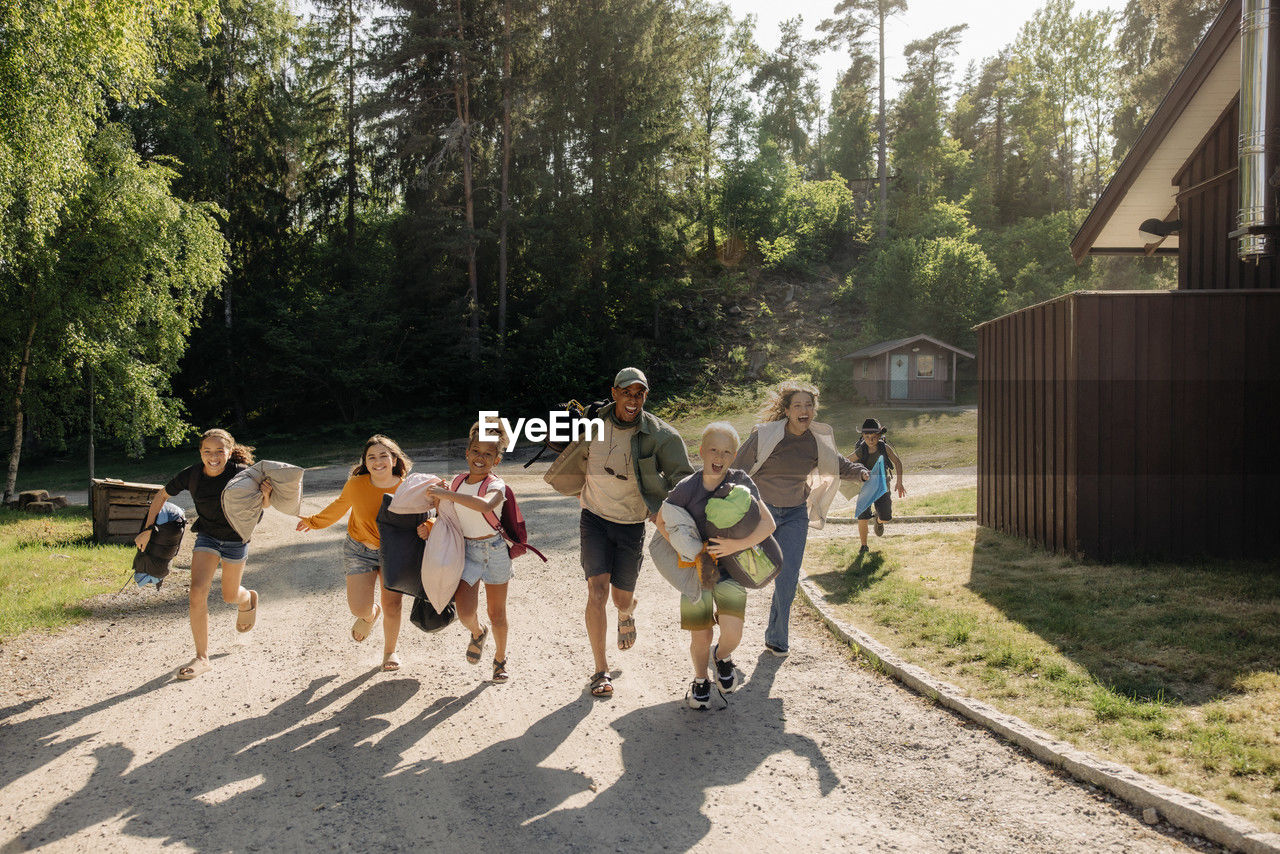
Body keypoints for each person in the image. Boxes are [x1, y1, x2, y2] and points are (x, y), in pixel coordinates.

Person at [545, 366, 693, 698]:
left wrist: (683, 523)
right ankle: (601, 670)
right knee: (596, 593)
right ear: (614, 393)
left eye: (639, 393)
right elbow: (560, 444)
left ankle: (627, 612)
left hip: (631, 526)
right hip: (594, 518)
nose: (633, 399)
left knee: (619, 598)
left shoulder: (660, 435)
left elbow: (684, 480)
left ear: (645, 397)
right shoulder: (592, 423)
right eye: (626, 392)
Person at [731, 381, 868, 658]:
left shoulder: (816, 440)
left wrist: (861, 472)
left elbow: (838, 464)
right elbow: (736, 468)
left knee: (788, 576)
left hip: (794, 514)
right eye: (798, 405)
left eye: (809, 405)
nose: (804, 410)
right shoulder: (766, 436)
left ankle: (777, 638)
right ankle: (723, 621)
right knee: (746, 571)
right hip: (761, 513)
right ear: (786, 410)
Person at [135, 429, 272, 680]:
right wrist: (147, 528)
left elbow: (259, 508)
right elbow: (162, 495)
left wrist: (265, 497)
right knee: (197, 593)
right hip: (207, 536)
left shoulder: (242, 474)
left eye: (220, 451)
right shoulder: (193, 474)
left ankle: (247, 599)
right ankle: (202, 657)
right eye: (207, 451)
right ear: (200, 453)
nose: (214, 456)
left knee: (230, 596)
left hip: (235, 540)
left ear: (229, 452)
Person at [657, 422, 776, 709]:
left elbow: (768, 524)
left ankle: (722, 657)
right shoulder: (687, 488)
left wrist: (734, 546)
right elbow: (662, 521)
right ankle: (700, 680)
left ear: (733, 456)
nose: (719, 457)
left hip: (732, 571)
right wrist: (690, 551)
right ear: (701, 452)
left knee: (732, 632)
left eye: (726, 452)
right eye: (713, 449)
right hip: (696, 574)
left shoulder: (742, 481)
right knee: (701, 634)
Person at [296, 435, 412, 671]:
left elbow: (426, 511)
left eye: (383, 455)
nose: (377, 461)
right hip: (359, 550)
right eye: (371, 457)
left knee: (393, 605)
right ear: (365, 462)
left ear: (393, 459)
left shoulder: (406, 486)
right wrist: (314, 521)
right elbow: (338, 507)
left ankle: (390, 652)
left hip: (394, 553)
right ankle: (370, 615)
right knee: (358, 609)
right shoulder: (356, 484)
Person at [427, 421, 515, 683]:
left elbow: (486, 507)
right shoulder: (454, 482)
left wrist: (447, 494)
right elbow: (442, 512)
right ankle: (478, 632)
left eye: (488, 454)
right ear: (467, 453)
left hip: (495, 550)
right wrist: (432, 512)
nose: (480, 458)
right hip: (467, 551)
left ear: (497, 460)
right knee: (465, 613)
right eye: (476, 451)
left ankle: (500, 660)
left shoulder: (497, 485)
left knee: (497, 613)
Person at [853, 417, 906, 553]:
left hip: (882, 486)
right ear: (863, 436)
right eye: (867, 436)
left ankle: (878, 520)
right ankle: (863, 546)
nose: (870, 440)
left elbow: (898, 462)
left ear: (880, 435)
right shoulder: (861, 449)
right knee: (863, 516)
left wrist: (899, 482)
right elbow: (847, 460)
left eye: (874, 436)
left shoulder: (884, 447)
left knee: (886, 517)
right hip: (865, 487)